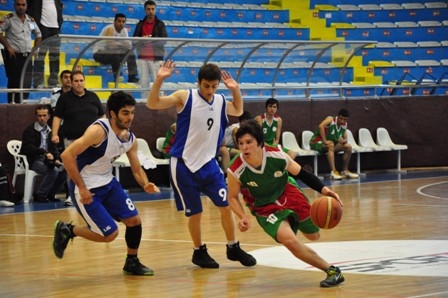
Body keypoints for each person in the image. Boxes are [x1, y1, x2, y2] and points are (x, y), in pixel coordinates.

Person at [146, 60, 256, 269]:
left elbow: (239, 109)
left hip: (209, 164)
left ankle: (233, 247)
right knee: (196, 213)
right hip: (184, 165)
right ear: (199, 82)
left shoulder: (221, 100)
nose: (210, 90)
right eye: (206, 86)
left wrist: (236, 90)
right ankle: (199, 252)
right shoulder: (185, 97)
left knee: (225, 205)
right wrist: (160, 79)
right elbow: (153, 104)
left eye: (214, 86)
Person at [53, 91, 161, 276]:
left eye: (132, 113)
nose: (130, 117)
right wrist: (82, 188)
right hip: (86, 187)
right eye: (125, 113)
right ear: (112, 113)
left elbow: (136, 169)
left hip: (108, 183)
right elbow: (66, 155)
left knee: (135, 221)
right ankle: (69, 230)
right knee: (110, 235)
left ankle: (131, 262)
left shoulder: (130, 138)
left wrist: (145, 184)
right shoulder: (98, 131)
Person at [227, 119, 345, 288]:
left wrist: (324, 190)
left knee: (314, 236)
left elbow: (302, 174)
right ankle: (332, 271)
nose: (244, 147)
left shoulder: (276, 155)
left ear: (260, 142)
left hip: (288, 193)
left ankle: (294, 220)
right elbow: (232, 197)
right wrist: (242, 216)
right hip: (264, 207)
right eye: (240, 143)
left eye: (248, 142)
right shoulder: (235, 168)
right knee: (289, 239)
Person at [51, 70, 105, 206]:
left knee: (94, 165)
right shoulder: (64, 98)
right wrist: (54, 134)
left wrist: (106, 132)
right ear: (72, 82)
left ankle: (95, 191)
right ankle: (71, 195)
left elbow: (102, 116)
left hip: (93, 141)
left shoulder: (93, 96)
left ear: (84, 81)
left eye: (81, 80)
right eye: (76, 81)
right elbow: (57, 117)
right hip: (72, 139)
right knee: (72, 166)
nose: (79, 83)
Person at [20, 105, 67, 203]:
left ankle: (50, 194)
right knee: (53, 171)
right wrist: (44, 153)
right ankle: (40, 195)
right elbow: (27, 148)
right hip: (34, 160)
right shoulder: (29, 130)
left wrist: (57, 158)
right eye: (39, 116)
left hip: (48, 159)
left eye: (44, 115)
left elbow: (54, 147)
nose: (42, 118)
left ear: (49, 116)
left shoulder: (50, 131)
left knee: (64, 171)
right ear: (36, 116)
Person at [0, 0, 42, 103]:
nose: (21, 7)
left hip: (27, 56)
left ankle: (24, 103)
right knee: (15, 82)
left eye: (23, 5)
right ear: (14, 6)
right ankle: (12, 104)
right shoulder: (8, 18)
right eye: (18, 5)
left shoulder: (30, 20)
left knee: (26, 82)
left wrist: (35, 48)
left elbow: (38, 35)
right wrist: (8, 47)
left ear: (26, 6)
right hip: (14, 56)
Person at [309, 109, 359, 180]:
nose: (342, 121)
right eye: (341, 119)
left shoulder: (344, 125)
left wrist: (343, 141)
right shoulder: (331, 119)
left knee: (348, 147)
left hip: (330, 146)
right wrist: (324, 141)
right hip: (316, 142)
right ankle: (333, 172)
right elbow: (321, 126)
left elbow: (346, 139)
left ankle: (344, 171)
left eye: (345, 120)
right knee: (331, 144)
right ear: (338, 117)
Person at [133, 0, 167, 98]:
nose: (151, 11)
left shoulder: (160, 24)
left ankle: (161, 104)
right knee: (144, 84)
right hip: (142, 58)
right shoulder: (140, 24)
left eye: (152, 9)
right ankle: (145, 104)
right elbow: (134, 40)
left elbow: (164, 40)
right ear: (145, 10)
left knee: (159, 83)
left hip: (156, 58)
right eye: (148, 9)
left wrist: (151, 39)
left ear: (155, 10)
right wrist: (141, 39)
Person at [26, 0, 64, 88]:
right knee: (40, 57)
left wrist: (59, 23)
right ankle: (38, 82)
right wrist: (34, 28)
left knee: (55, 58)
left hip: (56, 29)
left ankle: (53, 82)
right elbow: (29, 10)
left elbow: (59, 9)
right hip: (42, 29)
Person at [93, 13, 139, 83]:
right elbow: (110, 45)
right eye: (119, 21)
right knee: (115, 55)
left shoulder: (124, 30)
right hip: (99, 53)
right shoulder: (110, 29)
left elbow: (128, 46)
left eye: (123, 22)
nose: (121, 24)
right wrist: (121, 44)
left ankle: (132, 77)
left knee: (130, 54)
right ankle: (118, 78)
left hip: (113, 52)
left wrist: (117, 44)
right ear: (114, 22)